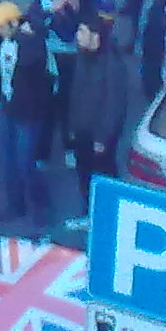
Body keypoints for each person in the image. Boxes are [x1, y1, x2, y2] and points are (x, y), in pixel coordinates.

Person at [0, 2, 51, 226]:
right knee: (7, 161)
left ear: (14, 23)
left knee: (25, 163)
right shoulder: (5, 41)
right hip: (8, 106)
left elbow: (30, 61)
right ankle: (16, 205)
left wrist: (25, 37)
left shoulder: (31, 44)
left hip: (28, 112)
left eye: (1, 26)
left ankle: (40, 205)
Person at [62, 20, 127, 227]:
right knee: (84, 173)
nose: (78, 35)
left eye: (82, 30)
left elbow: (114, 104)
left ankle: (106, 216)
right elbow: (76, 92)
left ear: (95, 35)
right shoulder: (83, 56)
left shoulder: (112, 63)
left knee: (102, 174)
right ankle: (89, 212)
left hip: (98, 134)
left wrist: (103, 137)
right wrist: (72, 126)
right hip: (82, 128)